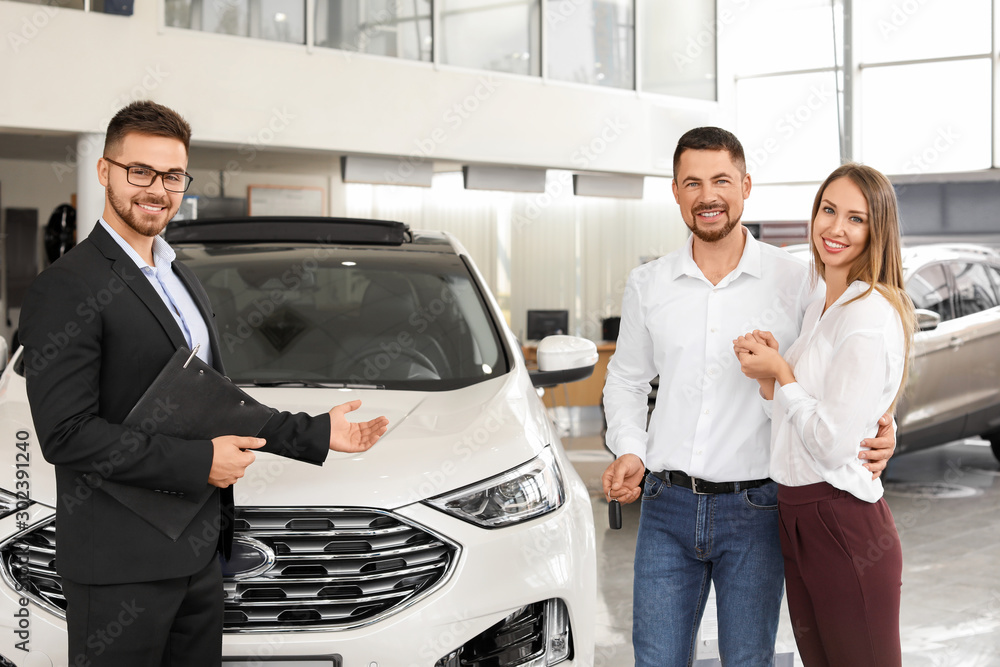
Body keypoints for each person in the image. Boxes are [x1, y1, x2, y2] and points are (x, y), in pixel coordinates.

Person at [19, 100, 389, 666]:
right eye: (139, 171)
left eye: (171, 176)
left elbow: (207, 403)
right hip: (121, 566)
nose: (156, 189)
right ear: (104, 171)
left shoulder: (180, 275)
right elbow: (66, 435)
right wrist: (198, 464)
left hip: (196, 555)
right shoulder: (67, 287)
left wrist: (314, 433)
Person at [601, 126, 897, 666]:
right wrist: (629, 448)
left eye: (721, 180)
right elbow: (626, 379)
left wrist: (884, 421)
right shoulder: (649, 284)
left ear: (746, 186)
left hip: (757, 508)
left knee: (749, 661)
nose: (707, 195)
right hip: (666, 506)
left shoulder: (798, 279)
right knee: (656, 660)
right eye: (692, 182)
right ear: (675, 191)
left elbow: (848, 358)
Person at [733, 163, 912, 666]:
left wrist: (784, 375)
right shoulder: (822, 308)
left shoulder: (867, 316)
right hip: (797, 515)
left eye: (855, 219)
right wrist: (772, 379)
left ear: (877, 230)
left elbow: (832, 444)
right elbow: (797, 427)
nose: (835, 228)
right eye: (828, 210)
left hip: (842, 519)